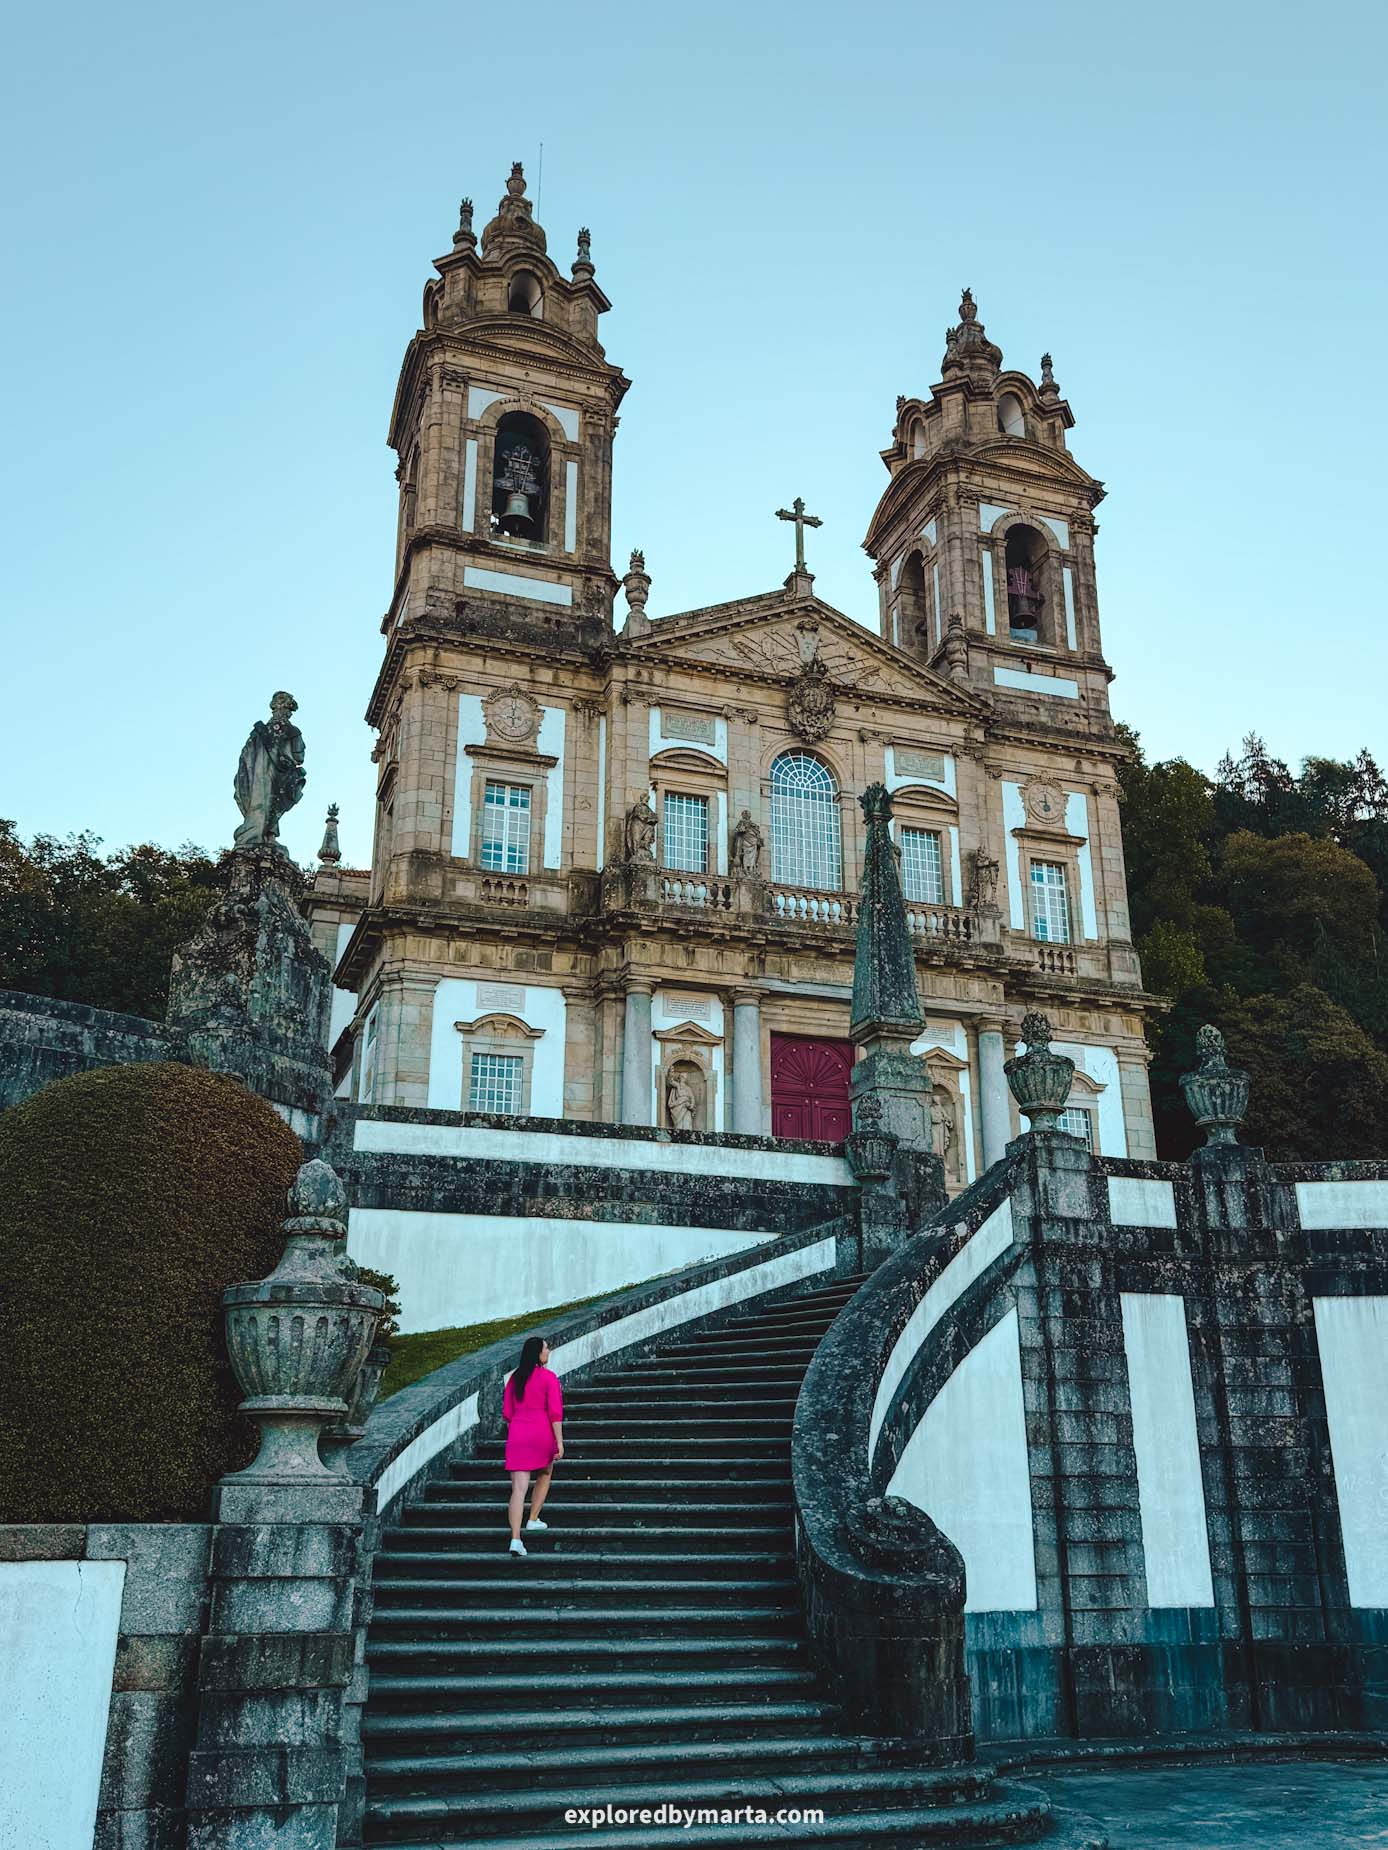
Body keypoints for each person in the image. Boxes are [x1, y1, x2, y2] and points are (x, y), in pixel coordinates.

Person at [503, 1335, 564, 1557]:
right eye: (546, 1348)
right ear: (538, 1354)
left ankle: (515, 1539)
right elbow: (555, 1413)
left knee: (518, 1490)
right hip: (541, 1431)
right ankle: (533, 1518)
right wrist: (559, 1441)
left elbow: (507, 1413)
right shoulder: (549, 1378)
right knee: (546, 1472)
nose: (548, 1351)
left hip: (518, 1432)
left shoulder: (514, 1379)